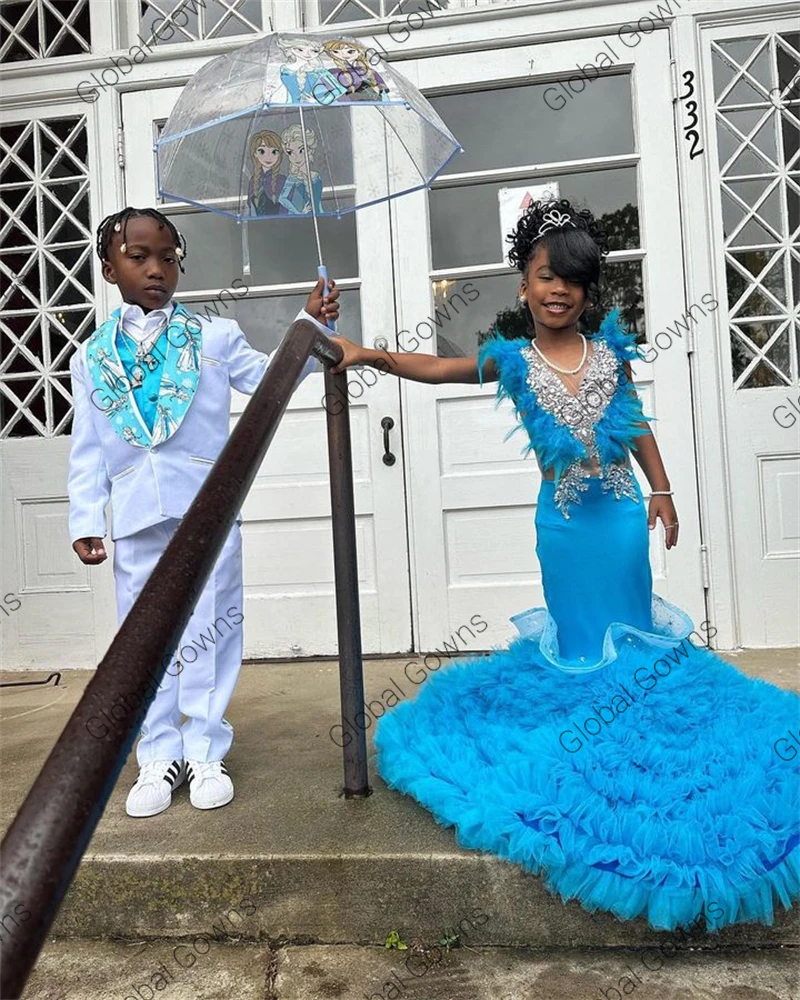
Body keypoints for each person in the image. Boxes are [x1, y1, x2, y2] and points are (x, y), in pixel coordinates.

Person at [329, 199, 799, 931]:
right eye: (546, 277)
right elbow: (444, 367)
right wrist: (370, 355)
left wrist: (665, 493)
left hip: (617, 519)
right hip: (563, 526)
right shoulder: (512, 360)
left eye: (572, 281)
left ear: (586, 293)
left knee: (634, 629)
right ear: (524, 286)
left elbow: (637, 425)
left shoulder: (610, 356)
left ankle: (642, 730)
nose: (558, 291)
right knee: (581, 640)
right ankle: (590, 733)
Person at [69, 207, 338, 818]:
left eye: (168, 257)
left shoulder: (213, 338)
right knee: (143, 635)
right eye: (138, 257)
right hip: (136, 512)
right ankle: (158, 752)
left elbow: (272, 379)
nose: (156, 269)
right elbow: (86, 447)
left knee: (212, 626)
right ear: (111, 270)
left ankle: (205, 743)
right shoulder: (91, 360)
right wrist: (86, 517)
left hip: (207, 509)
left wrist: (305, 324)